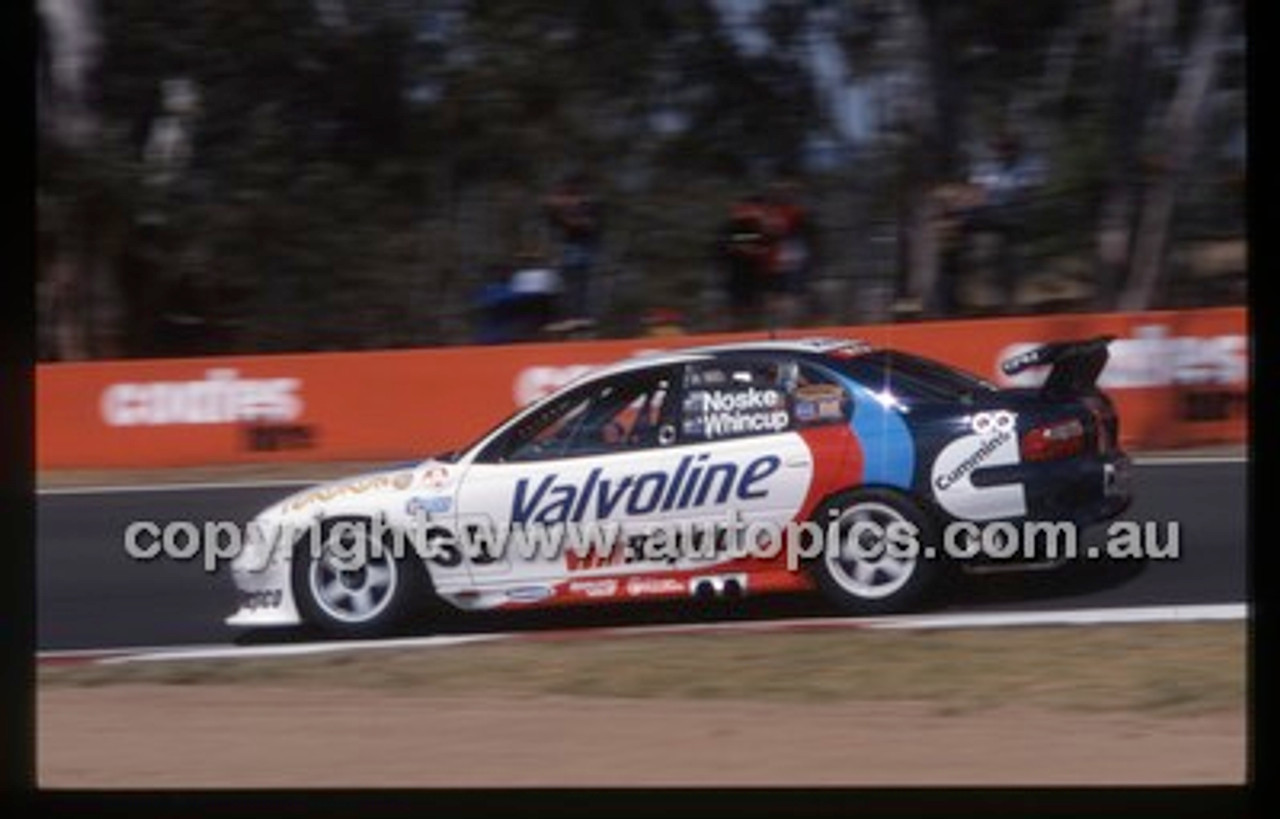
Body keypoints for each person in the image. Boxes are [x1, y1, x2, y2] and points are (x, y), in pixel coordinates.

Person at [545, 173, 603, 321]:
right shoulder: (561, 207)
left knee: (578, 283)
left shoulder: (585, 205)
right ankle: (572, 316)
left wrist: (571, 218)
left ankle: (580, 315)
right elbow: (557, 221)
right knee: (570, 283)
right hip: (570, 249)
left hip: (580, 249)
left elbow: (587, 225)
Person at [717, 194, 770, 330]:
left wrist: (753, 249)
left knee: (755, 310)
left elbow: (765, 246)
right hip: (735, 275)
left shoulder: (759, 227)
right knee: (736, 310)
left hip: (756, 277)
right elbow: (726, 247)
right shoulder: (730, 227)